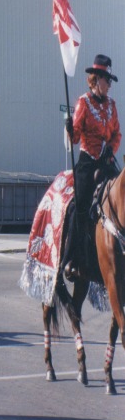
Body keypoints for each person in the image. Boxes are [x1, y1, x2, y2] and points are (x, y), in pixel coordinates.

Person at [64, 54, 121, 279]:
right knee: (80, 204)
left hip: (106, 162)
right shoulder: (83, 103)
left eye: (110, 80)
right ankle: (71, 259)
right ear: (96, 79)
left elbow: (117, 133)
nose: (109, 85)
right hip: (87, 163)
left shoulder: (111, 106)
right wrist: (70, 129)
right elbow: (76, 137)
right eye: (107, 80)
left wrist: (111, 148)